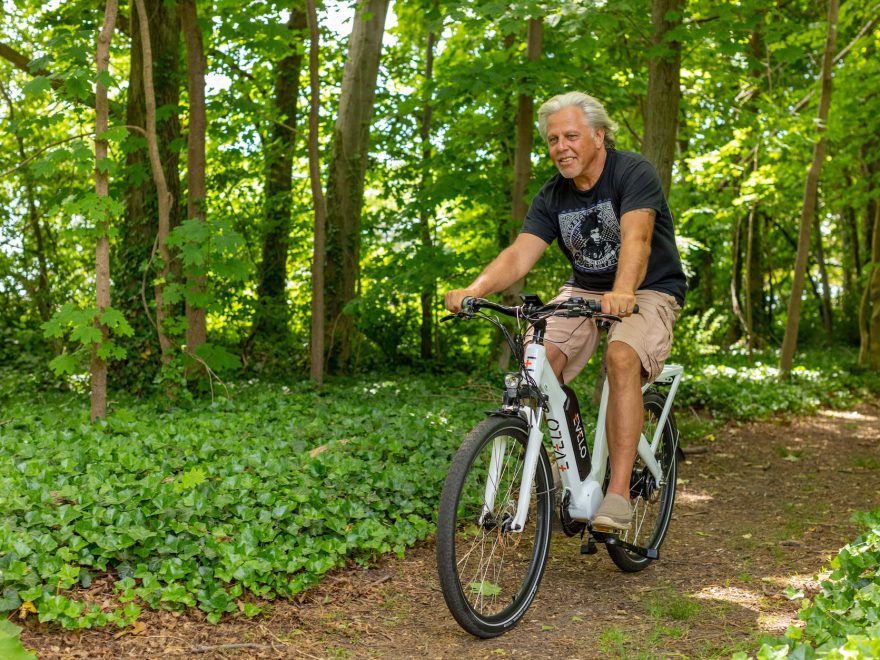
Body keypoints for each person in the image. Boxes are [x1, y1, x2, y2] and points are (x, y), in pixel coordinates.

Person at [444, 92, 687, 531]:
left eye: (571, 135)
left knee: (621, 357)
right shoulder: (553, 195)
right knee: (535, 367)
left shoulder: (633, 172)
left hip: (646, 290)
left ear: (598, 135)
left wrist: (623, 291)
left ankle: (616, 495)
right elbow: (520, 254)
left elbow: (637, 239)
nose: (561, 147)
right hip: (583, 291)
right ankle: (566, 465)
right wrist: (474, 288)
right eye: (553, 139)